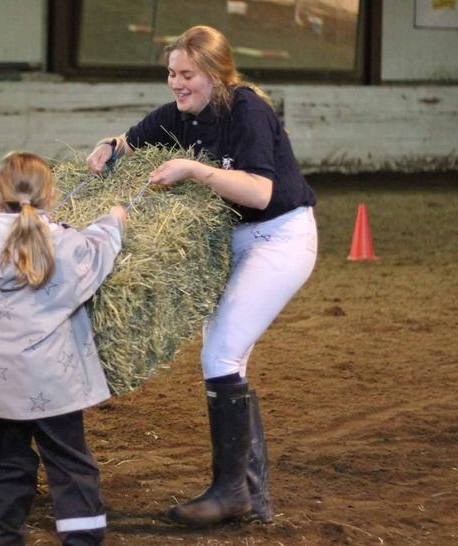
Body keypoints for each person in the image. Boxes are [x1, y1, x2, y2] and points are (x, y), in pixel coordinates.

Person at [86, 25, 317, 527]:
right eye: (171, 73)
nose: (176, 83)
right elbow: (130, 140)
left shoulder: (248, 110)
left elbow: (257, 192)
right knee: (227, 357)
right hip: (237, 241)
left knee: (220, 354)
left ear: (214, 74)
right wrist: (109, 147)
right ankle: (249, 494)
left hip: (280, 236)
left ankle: (233, 493)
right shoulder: (182, 115)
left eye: (187, 74)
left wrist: (193, 169)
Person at [0, 151, 128, 545]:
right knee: (71, 467)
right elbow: (100, 253)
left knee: (8, 464)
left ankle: (5, 537)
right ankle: (81, 539)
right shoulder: (66, 244)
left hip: (2, 387)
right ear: (50, 195)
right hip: (55, 384)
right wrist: (113, 221)